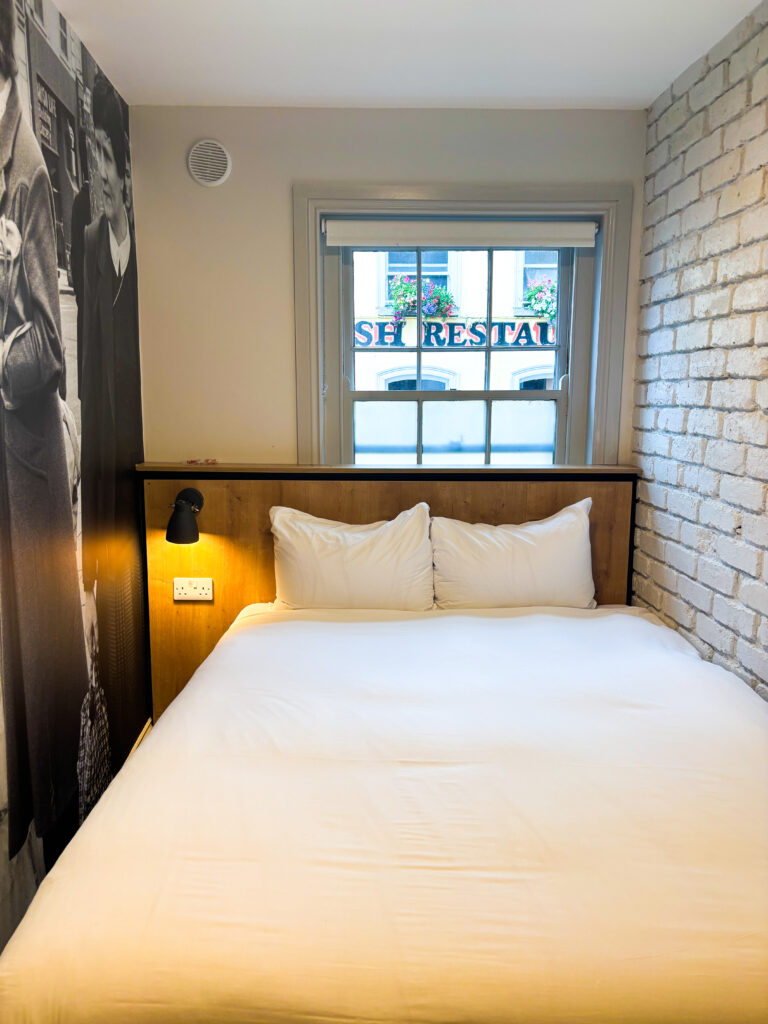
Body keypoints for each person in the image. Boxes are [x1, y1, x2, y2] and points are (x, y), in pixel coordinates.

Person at [0, 0, 88, 864]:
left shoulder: (26, 171)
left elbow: (45, 350)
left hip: (26, 451)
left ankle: (49, 812)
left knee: (44, 645)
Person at [80, 72, 147, 770]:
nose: (96, 172)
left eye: (103, 156)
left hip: (138, 469)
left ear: (126, 170)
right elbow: (91, 390)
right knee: (112, 630)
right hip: (107, 473)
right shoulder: (91, 240)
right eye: (93, 154)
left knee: (135, 641)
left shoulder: (149, 255)